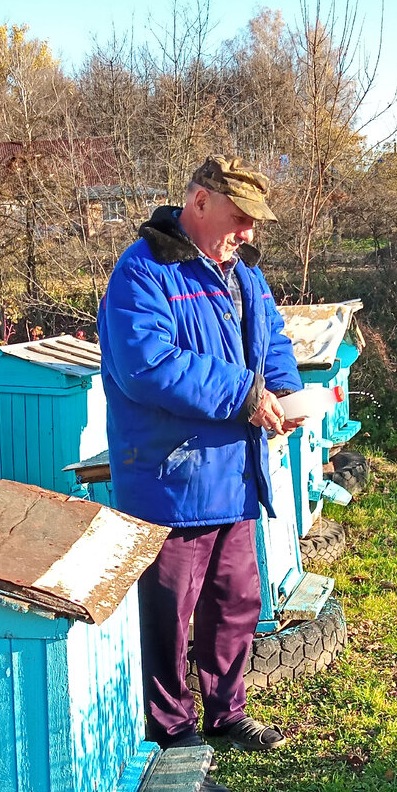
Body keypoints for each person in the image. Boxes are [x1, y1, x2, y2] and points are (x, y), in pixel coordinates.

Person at [98, 155, 303, 754]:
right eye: (240, 218)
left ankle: (227, 714)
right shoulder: (143, 272)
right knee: (167, 614)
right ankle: (171, 727)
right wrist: (246, 394)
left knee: (236, 603)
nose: (248, 234)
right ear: (200, 201)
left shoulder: (245, 275)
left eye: (254, 222)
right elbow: (148, 368)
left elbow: (273, 340)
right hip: (170, 477)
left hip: (234, 472)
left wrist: (285, 394)